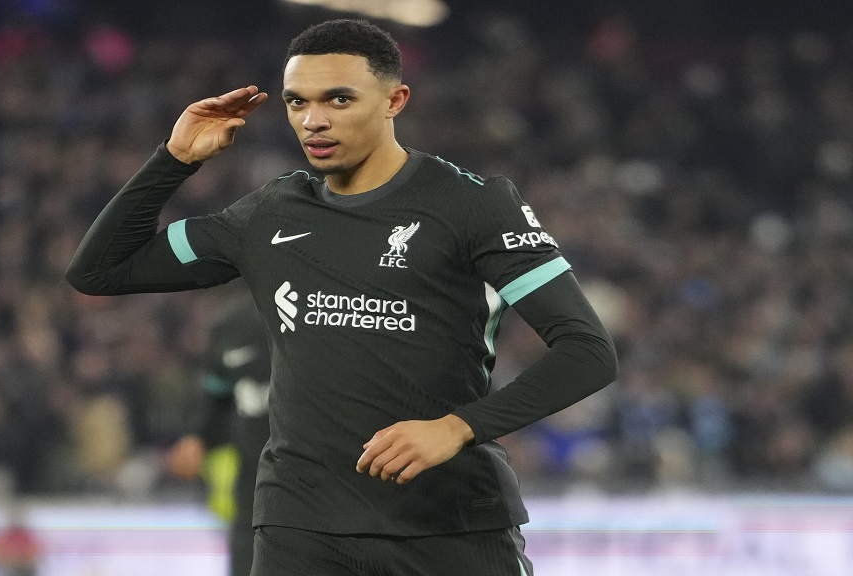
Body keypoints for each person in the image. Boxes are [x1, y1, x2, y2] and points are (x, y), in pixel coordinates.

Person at [67, 19, 617, 576]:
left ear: (394, 99)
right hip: (299, 530)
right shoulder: (267, 214)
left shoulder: (473, 204)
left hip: (447, 523)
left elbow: (587, 351)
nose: (314, 120)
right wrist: (175, 158)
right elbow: (99, 271)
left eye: (339, 99)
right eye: (296, 102)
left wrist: (456, 428)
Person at [166, 291, 271, 576]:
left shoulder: (325, 312)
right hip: (254, 485)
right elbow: (218, 397)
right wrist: (198, 438)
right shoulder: (230, 326)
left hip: (320, 479)